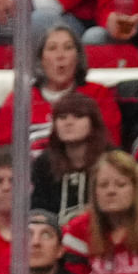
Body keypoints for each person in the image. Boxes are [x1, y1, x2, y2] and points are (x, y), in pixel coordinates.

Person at [35, 90, 109, 220]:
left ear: (93, 123)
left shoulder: (111, 160)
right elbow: (38, 210)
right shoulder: (43, 164)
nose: (68, 122)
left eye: (78, 116)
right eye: (62, 117)